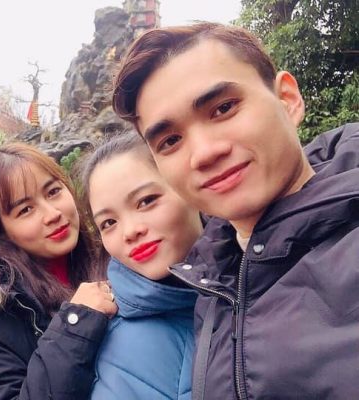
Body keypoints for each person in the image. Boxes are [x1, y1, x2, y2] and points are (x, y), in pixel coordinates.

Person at [113, 21, 359, 399]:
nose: (204, 153)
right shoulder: (211, 281)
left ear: (287, 99)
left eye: (223, 108)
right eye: (170, 140)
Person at [0, 143, 117, 400]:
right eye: (25, 210)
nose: (52, 214)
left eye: (53, 191)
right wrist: (75, 324)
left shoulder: (117, 258)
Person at [82, 133, 201, 399]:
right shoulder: (121, 344)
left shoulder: (267, 276)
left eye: (146, 201)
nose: (130, 231)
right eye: (109, 223)